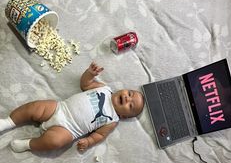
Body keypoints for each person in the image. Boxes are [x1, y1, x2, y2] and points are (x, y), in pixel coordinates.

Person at [0, 62, 144, 153]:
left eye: (130, 105)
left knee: (55, 142)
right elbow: (85, 85)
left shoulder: (112, 120)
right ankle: (8, 122)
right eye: (130, 93)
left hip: (69, 130)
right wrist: (89, 74)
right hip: (59, 109)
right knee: (34, 107)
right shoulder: (104, 89)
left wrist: (88, 142)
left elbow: (99, 135)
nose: (127, 98)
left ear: (124, 116)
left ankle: (29, 144)